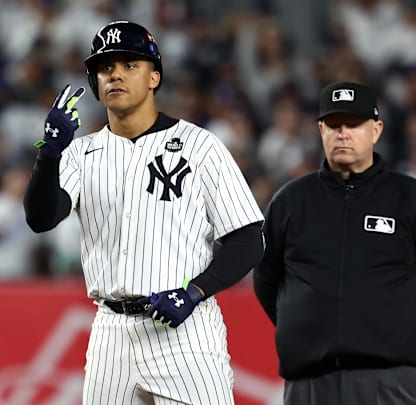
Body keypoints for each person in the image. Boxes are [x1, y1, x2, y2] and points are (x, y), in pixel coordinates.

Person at [23, 20, 265, 404]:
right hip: (110, 331)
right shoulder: (80, 154)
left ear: (154, 77)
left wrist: (196, 292)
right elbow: (41, 218)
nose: (115, 74)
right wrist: (48, 155)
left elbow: (249, 238)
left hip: (184, 332)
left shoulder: (200, 146)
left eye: (129, 64)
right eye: (106, 67)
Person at [253, 81, 416, 405]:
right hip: (308, 380)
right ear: (320, 130)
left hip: (387, 377)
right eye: (333, 125)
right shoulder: (289, 202)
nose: (342, 133)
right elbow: (267, 282)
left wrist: (395, 338)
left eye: (354, 124)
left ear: (376, 130)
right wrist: (305, 330)